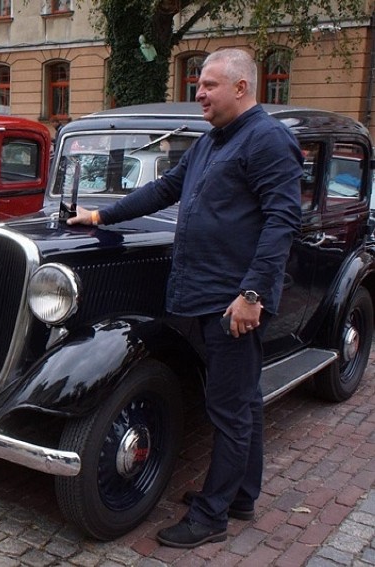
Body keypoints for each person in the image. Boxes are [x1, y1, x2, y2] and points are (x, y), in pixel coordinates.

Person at [68, 48, 302, 548]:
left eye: (209, 85)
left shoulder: (268, 140)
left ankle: (213, 516)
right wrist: (102, 217)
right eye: (198, 85)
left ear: (241, 88)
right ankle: (240, 496)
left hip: (231, 302)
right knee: (242, 403)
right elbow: (165, 188)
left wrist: (252, 294)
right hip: (203, 295)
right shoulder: (212, 141)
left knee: (230, 410)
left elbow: (284, 220)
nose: (198, 93)